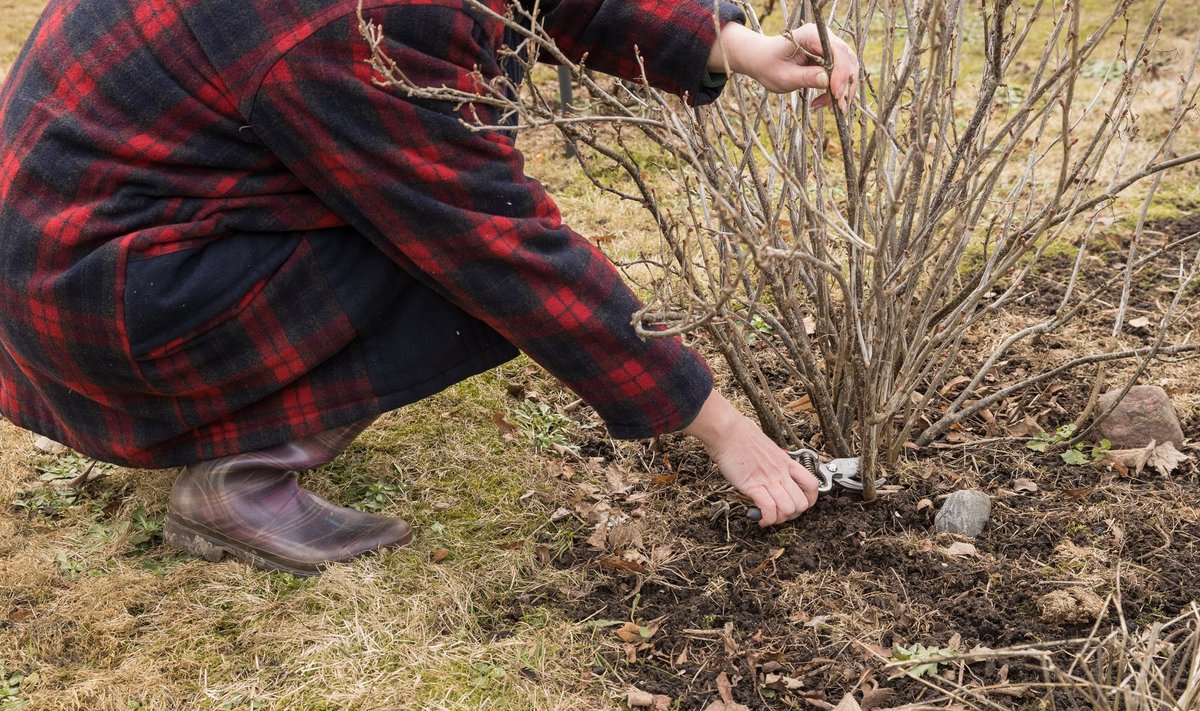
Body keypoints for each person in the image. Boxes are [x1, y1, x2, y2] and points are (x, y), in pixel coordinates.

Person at [0, 0, 858, 575]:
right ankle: (242, 481)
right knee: (451, 256)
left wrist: (734, 44)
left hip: (97, 245)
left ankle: (240, 417)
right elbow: (492, 243)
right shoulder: (350, 22)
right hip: (106, 298)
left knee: (441, 226)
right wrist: (721, 425)